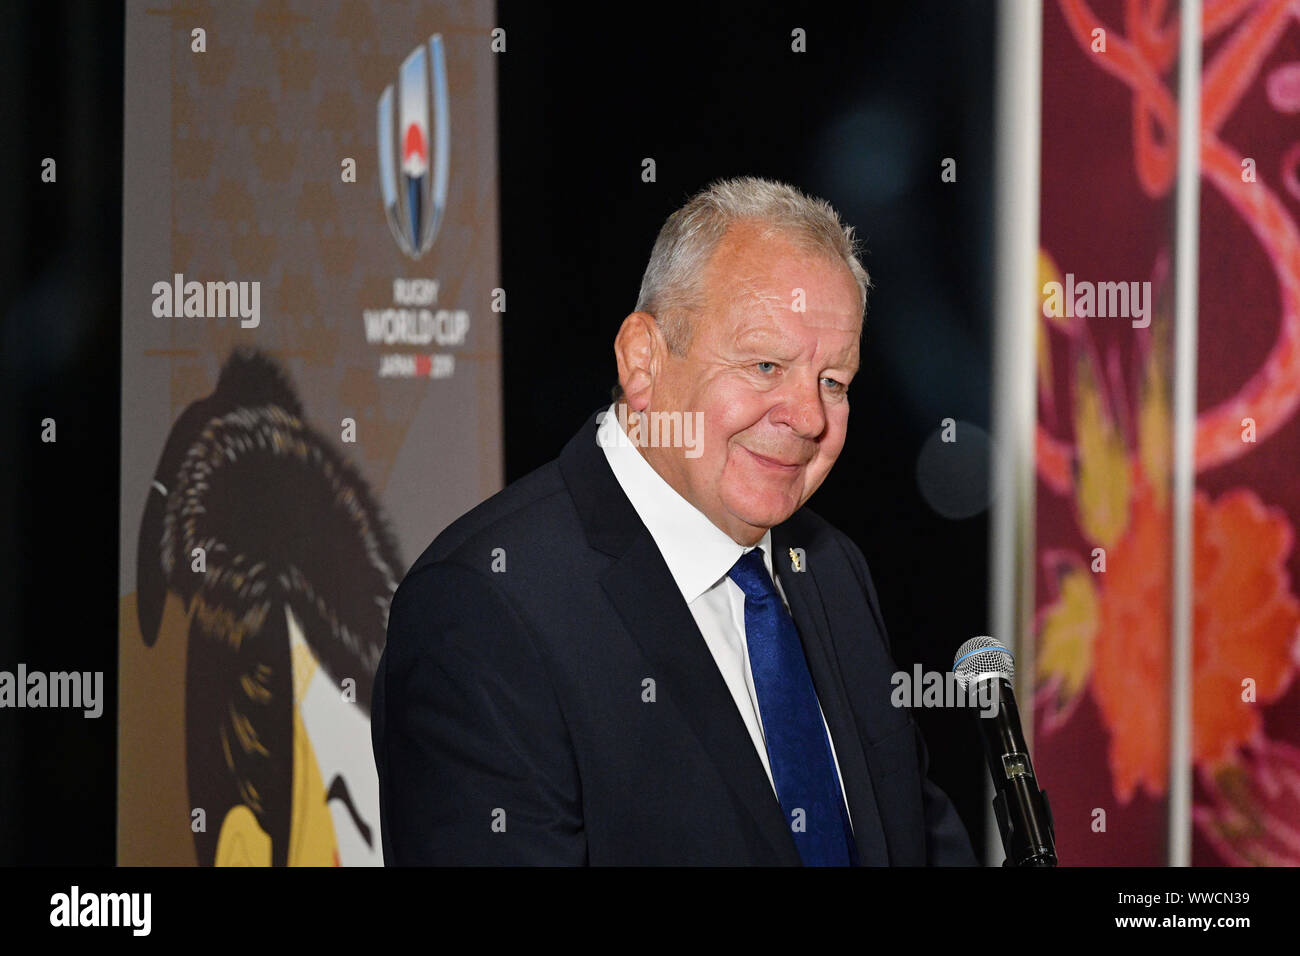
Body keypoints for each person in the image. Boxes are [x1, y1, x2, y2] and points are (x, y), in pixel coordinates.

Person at [372, 176, 978, 865]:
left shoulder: (831, 568)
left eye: (833, 382)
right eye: (765, 364)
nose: (808, 417)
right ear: (642, 361)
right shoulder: (485, 609)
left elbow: (919, 843)